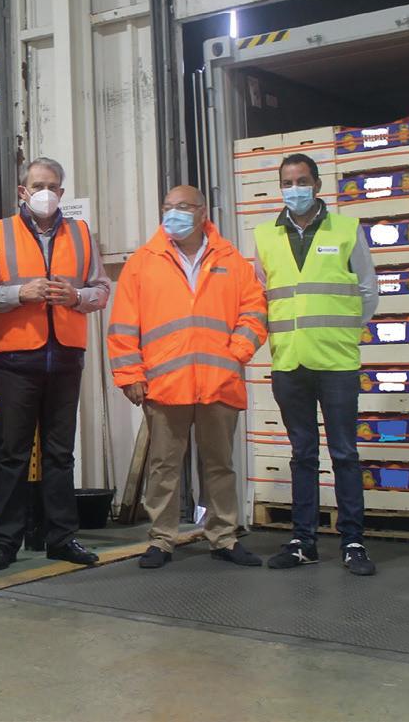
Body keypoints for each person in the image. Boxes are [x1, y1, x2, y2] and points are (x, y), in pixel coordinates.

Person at [109, 186, 268, 569]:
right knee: (163, 466)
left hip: (219, 382)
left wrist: (237, 353)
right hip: (164, 384)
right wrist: (129, 374)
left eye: (182, 207)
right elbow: (123, 324)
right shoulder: (143, 262)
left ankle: (223, 537)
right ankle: (161, 540)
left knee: (219, 465)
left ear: (202, 212)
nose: (173, 213)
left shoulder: (231, 259)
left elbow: (255, 310)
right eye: (167, 207)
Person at [0, 157, 111, 571]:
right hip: (16, 358)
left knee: (60, 455)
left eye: (51, 186)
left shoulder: (81, 234)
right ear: (22, 191)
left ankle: (61, 538)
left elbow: (102, 289)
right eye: (37, 185)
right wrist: (19, 293)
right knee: (13, 455)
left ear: (61, 192)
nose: (44, 192)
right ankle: (4, 542)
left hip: (65, 357)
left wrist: (77, 297)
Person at [253, 154, 379, 576]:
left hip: (337, 361)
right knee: (302, 454)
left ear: (318, 184)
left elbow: (368, 290)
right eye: (287, 182)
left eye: (302, 180)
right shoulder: (265, 235)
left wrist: (343, 333)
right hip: (289, 362)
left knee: (345, 453)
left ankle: (353, 541)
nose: (295, 189)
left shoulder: (345, 228)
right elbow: (260, 297)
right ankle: (302, 541)